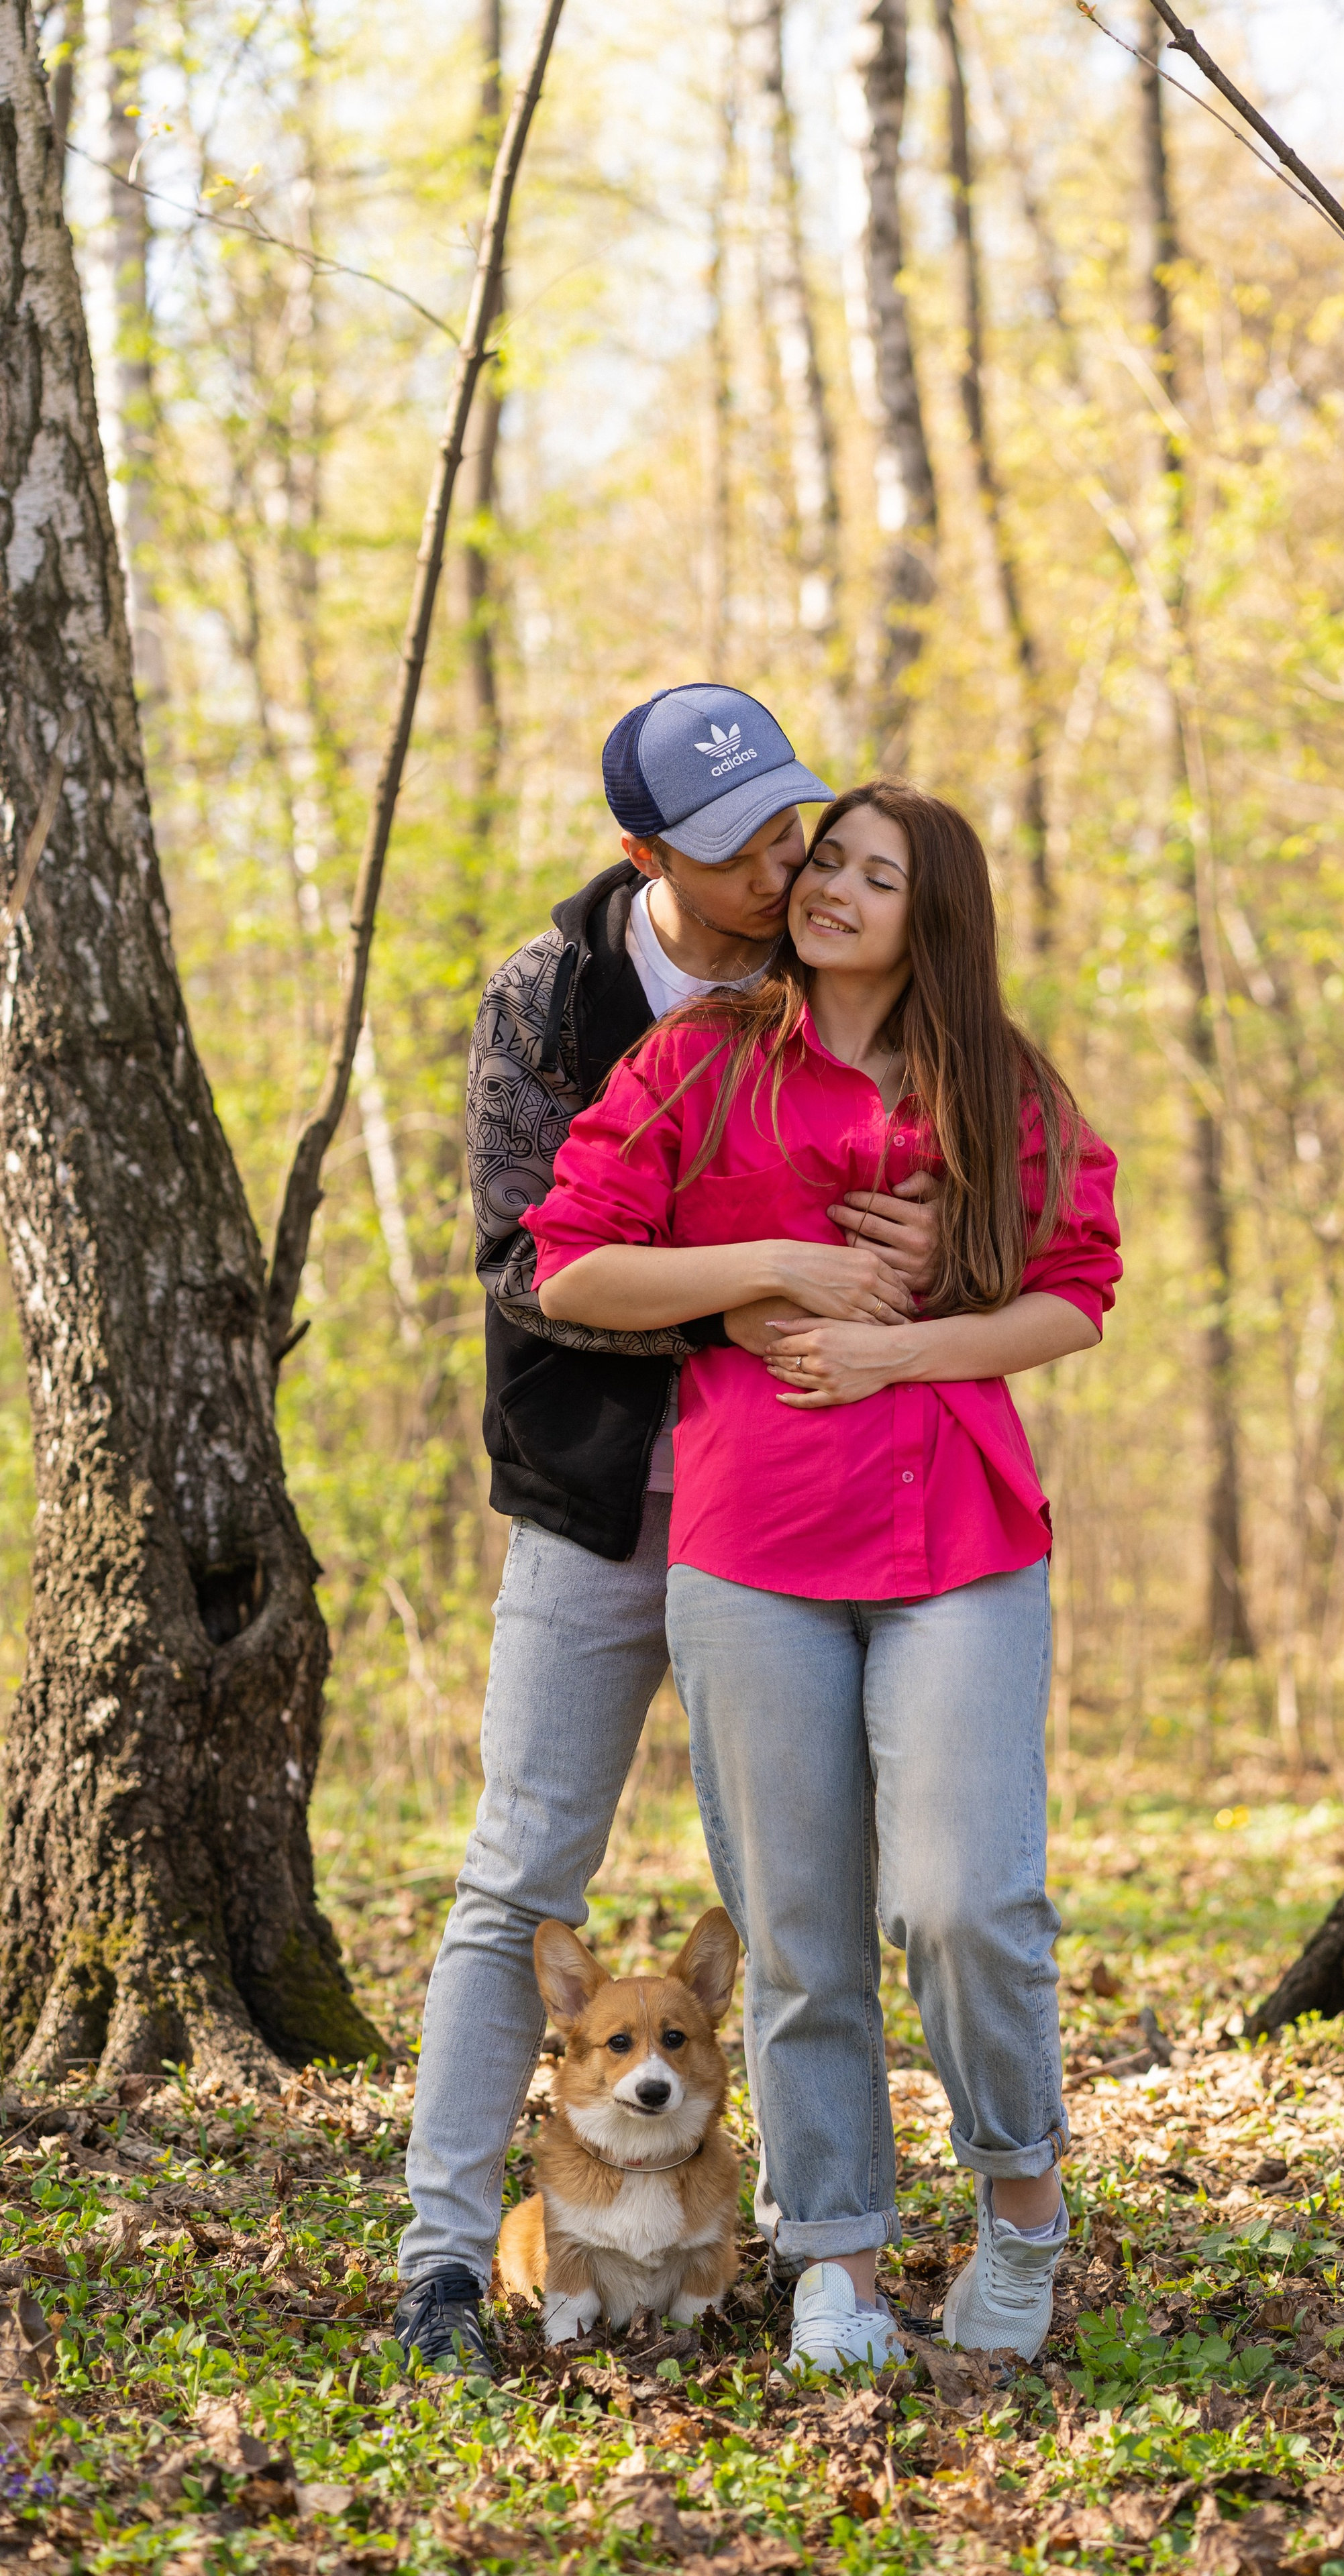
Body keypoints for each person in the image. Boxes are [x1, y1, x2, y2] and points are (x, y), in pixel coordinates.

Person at [526, 780, 1121, 2377]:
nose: (830, 891)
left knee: (963, 1901)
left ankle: (1020, 2211)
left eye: (874, 875)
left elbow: (1075, 1292)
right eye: (824, 865)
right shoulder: (699, 1060)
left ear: (935, 913)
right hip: (754, 1544)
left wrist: (902, 1347)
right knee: (797, 1932)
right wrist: (772, 1268)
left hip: (957, 1541)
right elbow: (572, 1257)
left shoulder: (996, 1088)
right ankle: (838, 2261)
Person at [393, 689, 943, 2376]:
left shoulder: (847, 970)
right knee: (518, 1875)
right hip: (594, 1500)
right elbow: (519, 1263)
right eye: (740, 849)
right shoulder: (550, 1000)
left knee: (787, 1887)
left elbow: (932, 1189)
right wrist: (743, 1304)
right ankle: (438, 2261)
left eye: (792, 827)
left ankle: (800, 2247)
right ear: (644, 856)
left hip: (790, 1496)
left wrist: (925, 1234)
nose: (784, 868)